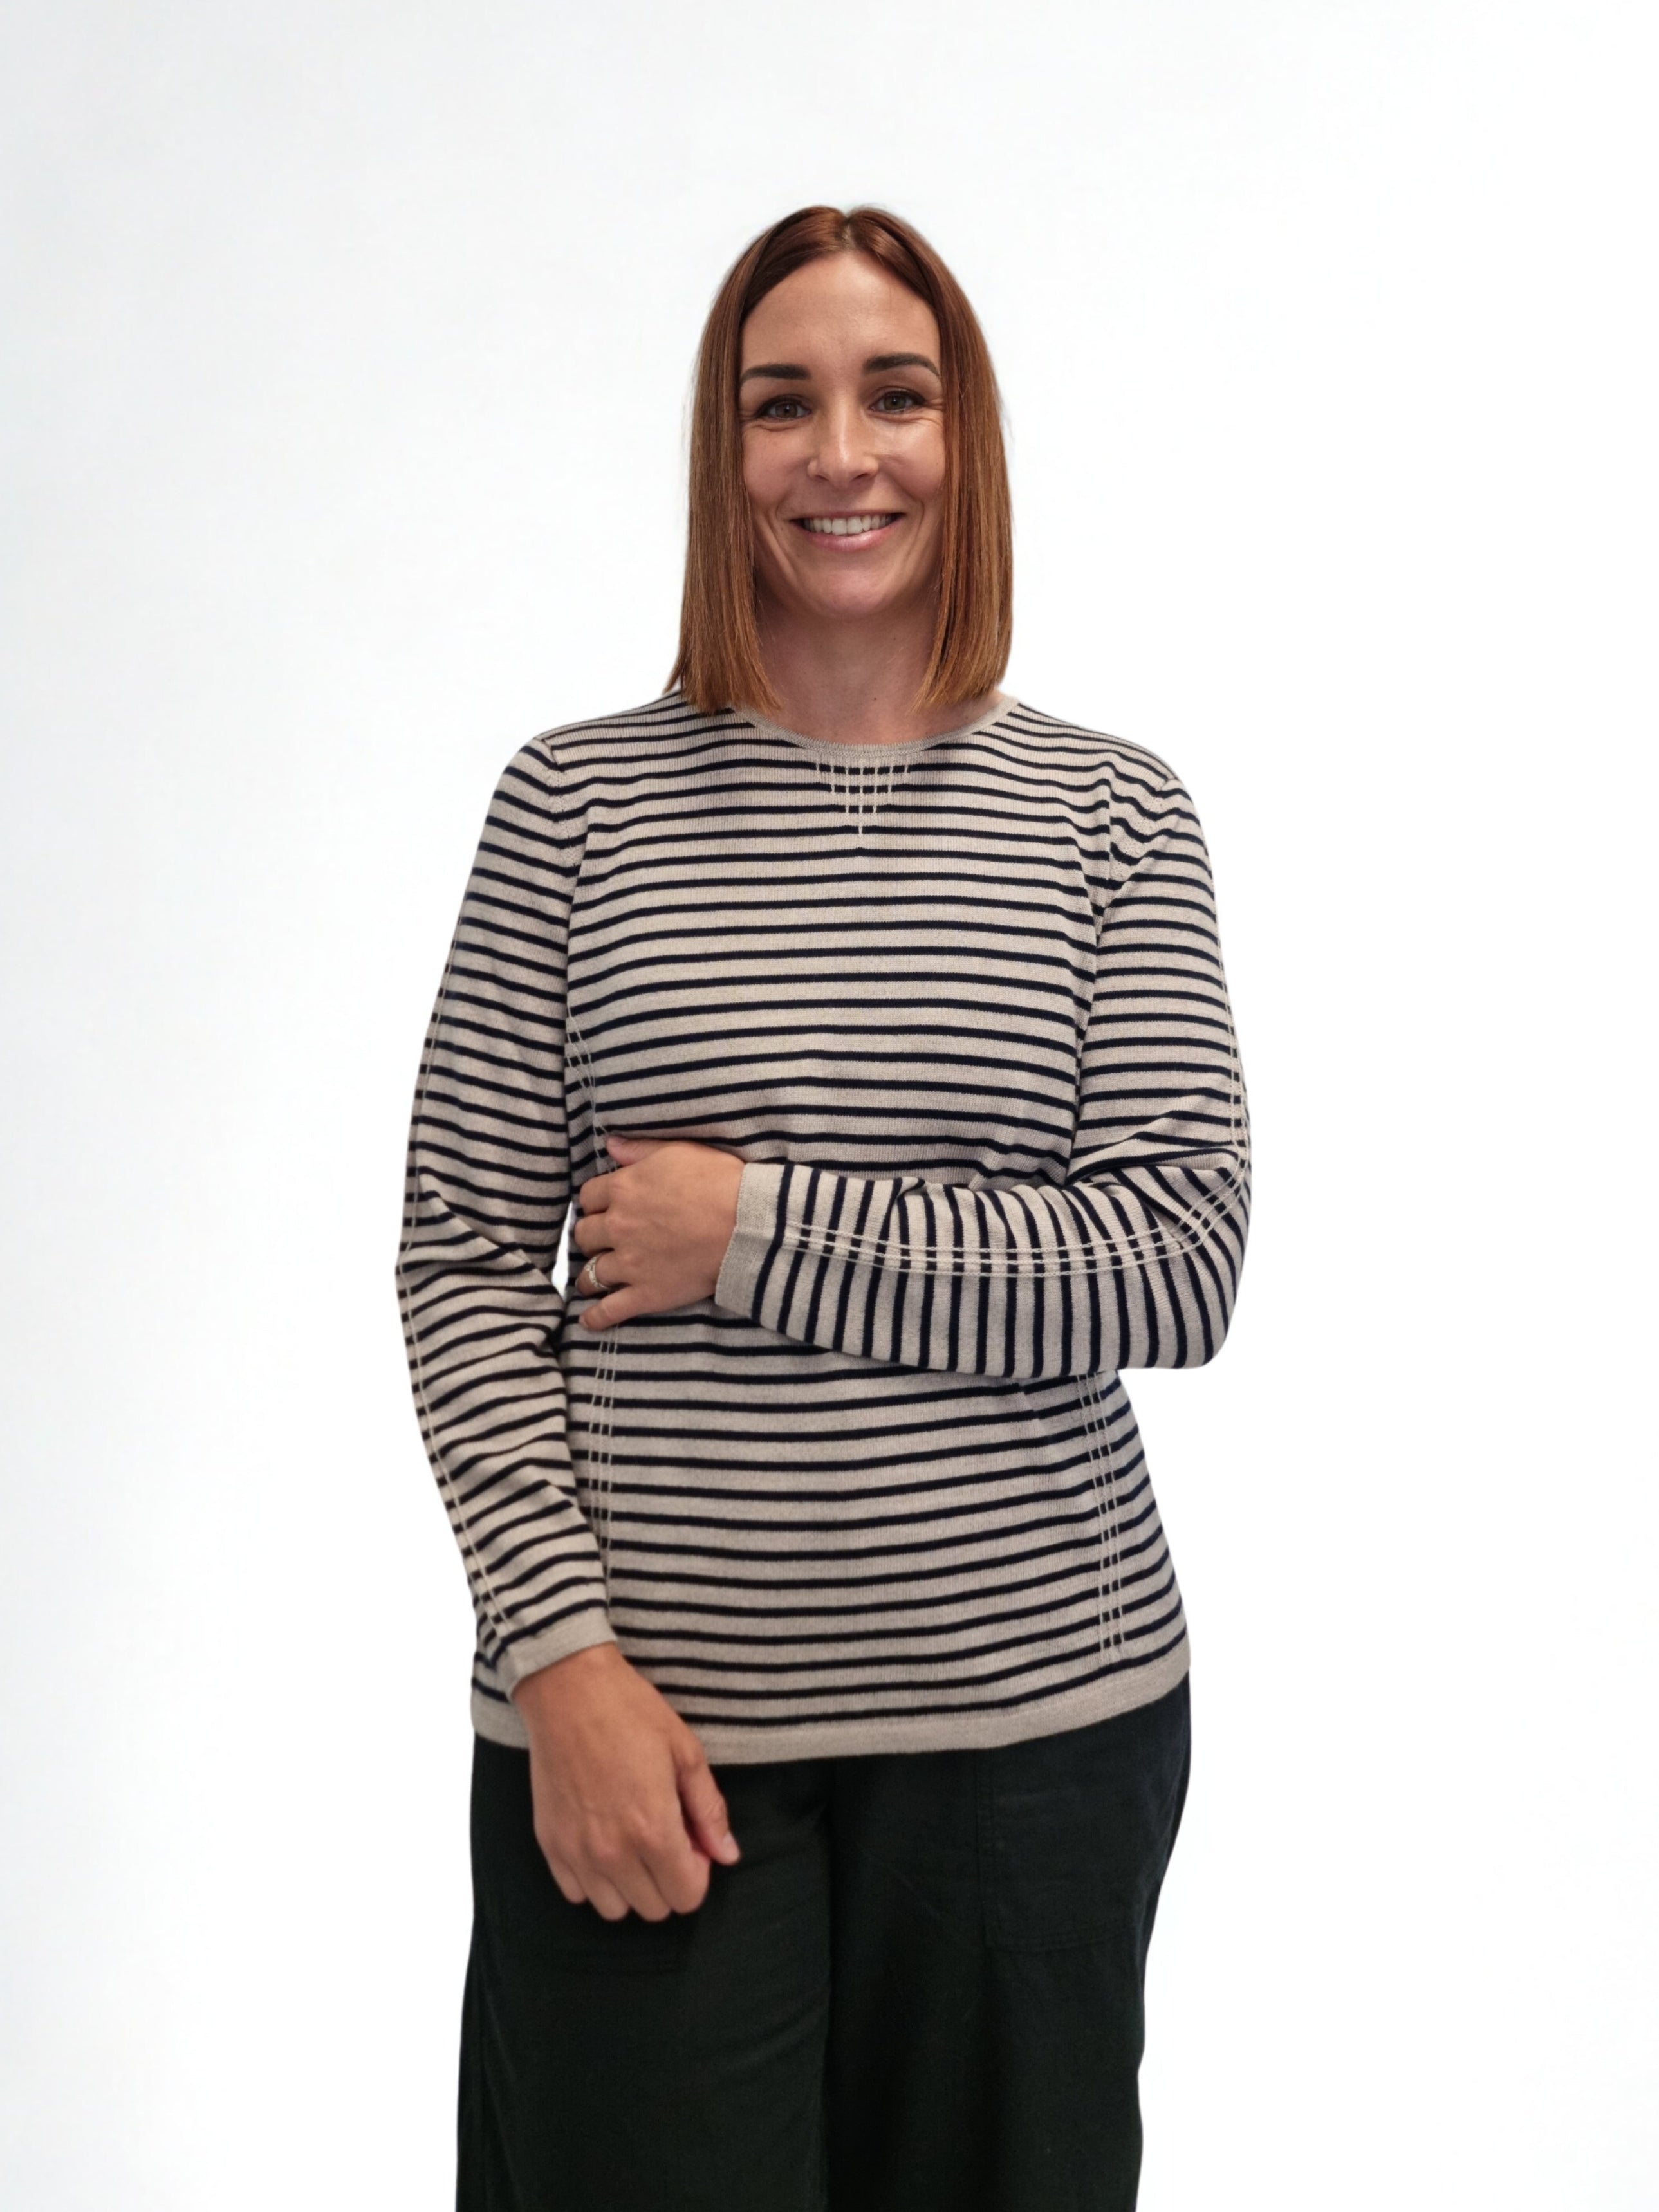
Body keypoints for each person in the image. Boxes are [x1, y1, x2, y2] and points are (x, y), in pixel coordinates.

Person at [395, 203, 1250, 2212]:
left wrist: (749, 1231)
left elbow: (1176, 1258)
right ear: (724, 452)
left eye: (895, 396)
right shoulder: (575, 807)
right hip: (648, 1743)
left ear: (967, 439)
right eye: (779, 404)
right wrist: (560, 1664)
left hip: (1038, 1740)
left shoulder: (1109, 814)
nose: (839, 454)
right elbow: (462, 1263)